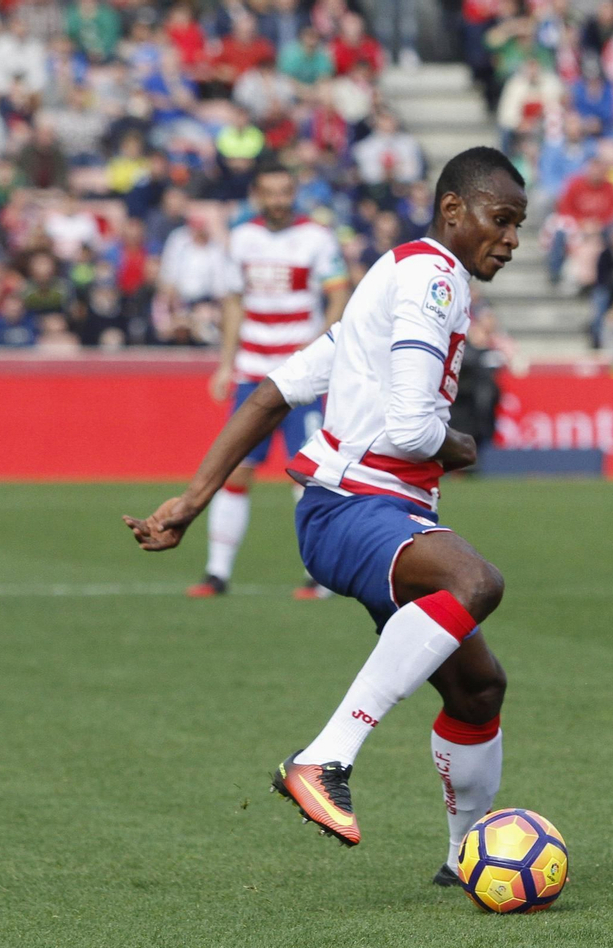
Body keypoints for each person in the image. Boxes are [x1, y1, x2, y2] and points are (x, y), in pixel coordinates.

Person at [124, 148, 529, 885]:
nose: (510, 238)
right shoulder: (435, 278)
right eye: (500, 220)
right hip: (355, 508)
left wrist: (191, 500)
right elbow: (411, 432)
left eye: (517, 226)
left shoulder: (392, 277)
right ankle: (325, 757)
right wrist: (460, 443)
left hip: (361, 512)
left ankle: (462, 862)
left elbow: (273, 392)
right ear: (452, 211)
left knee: (478, 690)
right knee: (476, 582)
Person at [189, 163, 351, 599]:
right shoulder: (242, 239)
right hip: (253, 373)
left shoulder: (317, 237)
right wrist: (226, 365)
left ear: (294, 192)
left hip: (302, 376)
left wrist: (321, 351)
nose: (279, 200)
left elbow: (339, 292)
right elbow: (233, 303)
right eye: (270, 193)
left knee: (309, 476)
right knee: (237, 471)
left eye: (285, 191)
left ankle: (319, 577)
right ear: (258, 196)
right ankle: (216, 572)